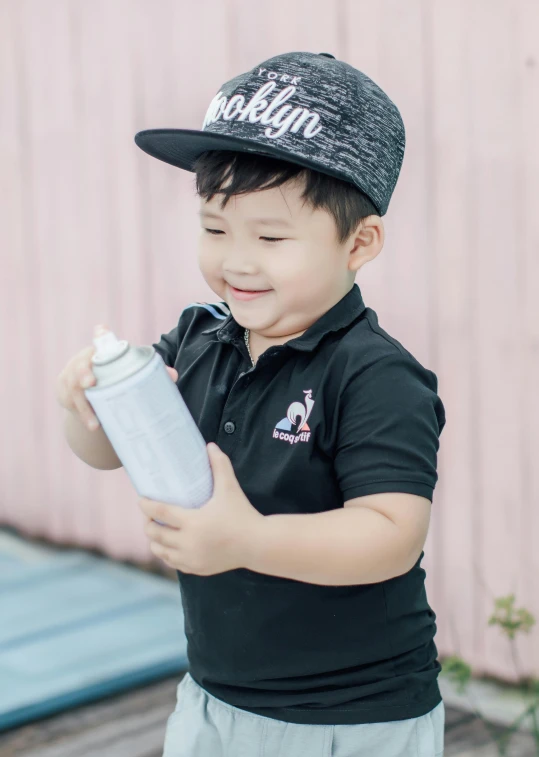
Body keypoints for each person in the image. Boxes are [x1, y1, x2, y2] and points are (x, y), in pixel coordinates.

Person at [58, 52, 446, 757]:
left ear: (359, 242)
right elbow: (109, 449)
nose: (236, 259)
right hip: (214, 695)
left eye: (269, 237)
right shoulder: (198, 336)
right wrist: (85, 405)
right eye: (215, 228)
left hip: (351, 717)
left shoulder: (373, 374)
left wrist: (248, 540)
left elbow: (393, 532)